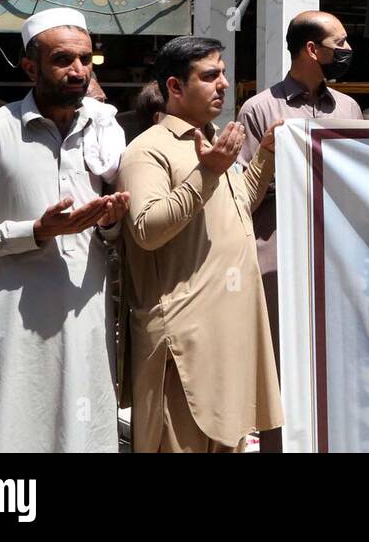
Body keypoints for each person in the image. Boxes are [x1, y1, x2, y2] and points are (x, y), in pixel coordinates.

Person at [0, 8, 130, 452]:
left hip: (83, 322)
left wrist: (110, 223)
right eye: (63, 60)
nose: (78, 71)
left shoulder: (103, 134)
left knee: (81, 431)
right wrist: (36, 231)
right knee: (8, 434)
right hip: (10, 328)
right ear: (31, 67)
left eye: (86, 60)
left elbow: (111, 240)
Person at [117, 36, 282, 452]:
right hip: (185, 343)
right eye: (210, 76)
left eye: (223, 73)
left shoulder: (209, 142)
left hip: (227, 332)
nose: (223, 84)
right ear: (175, 87)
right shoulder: (148, 150)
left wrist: (264, 155)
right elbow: (147, 228)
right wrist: (206, 173)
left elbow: (238, 205)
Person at [236, 11, 361, 451]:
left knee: (335, 367)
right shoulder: (259, 109)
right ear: (313, 49)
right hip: (276, 260)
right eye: (339, 42)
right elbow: (245, 193)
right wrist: (282, 158)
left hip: (334, 261)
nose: (346, 50)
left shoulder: (348, 109)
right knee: (281, 371)